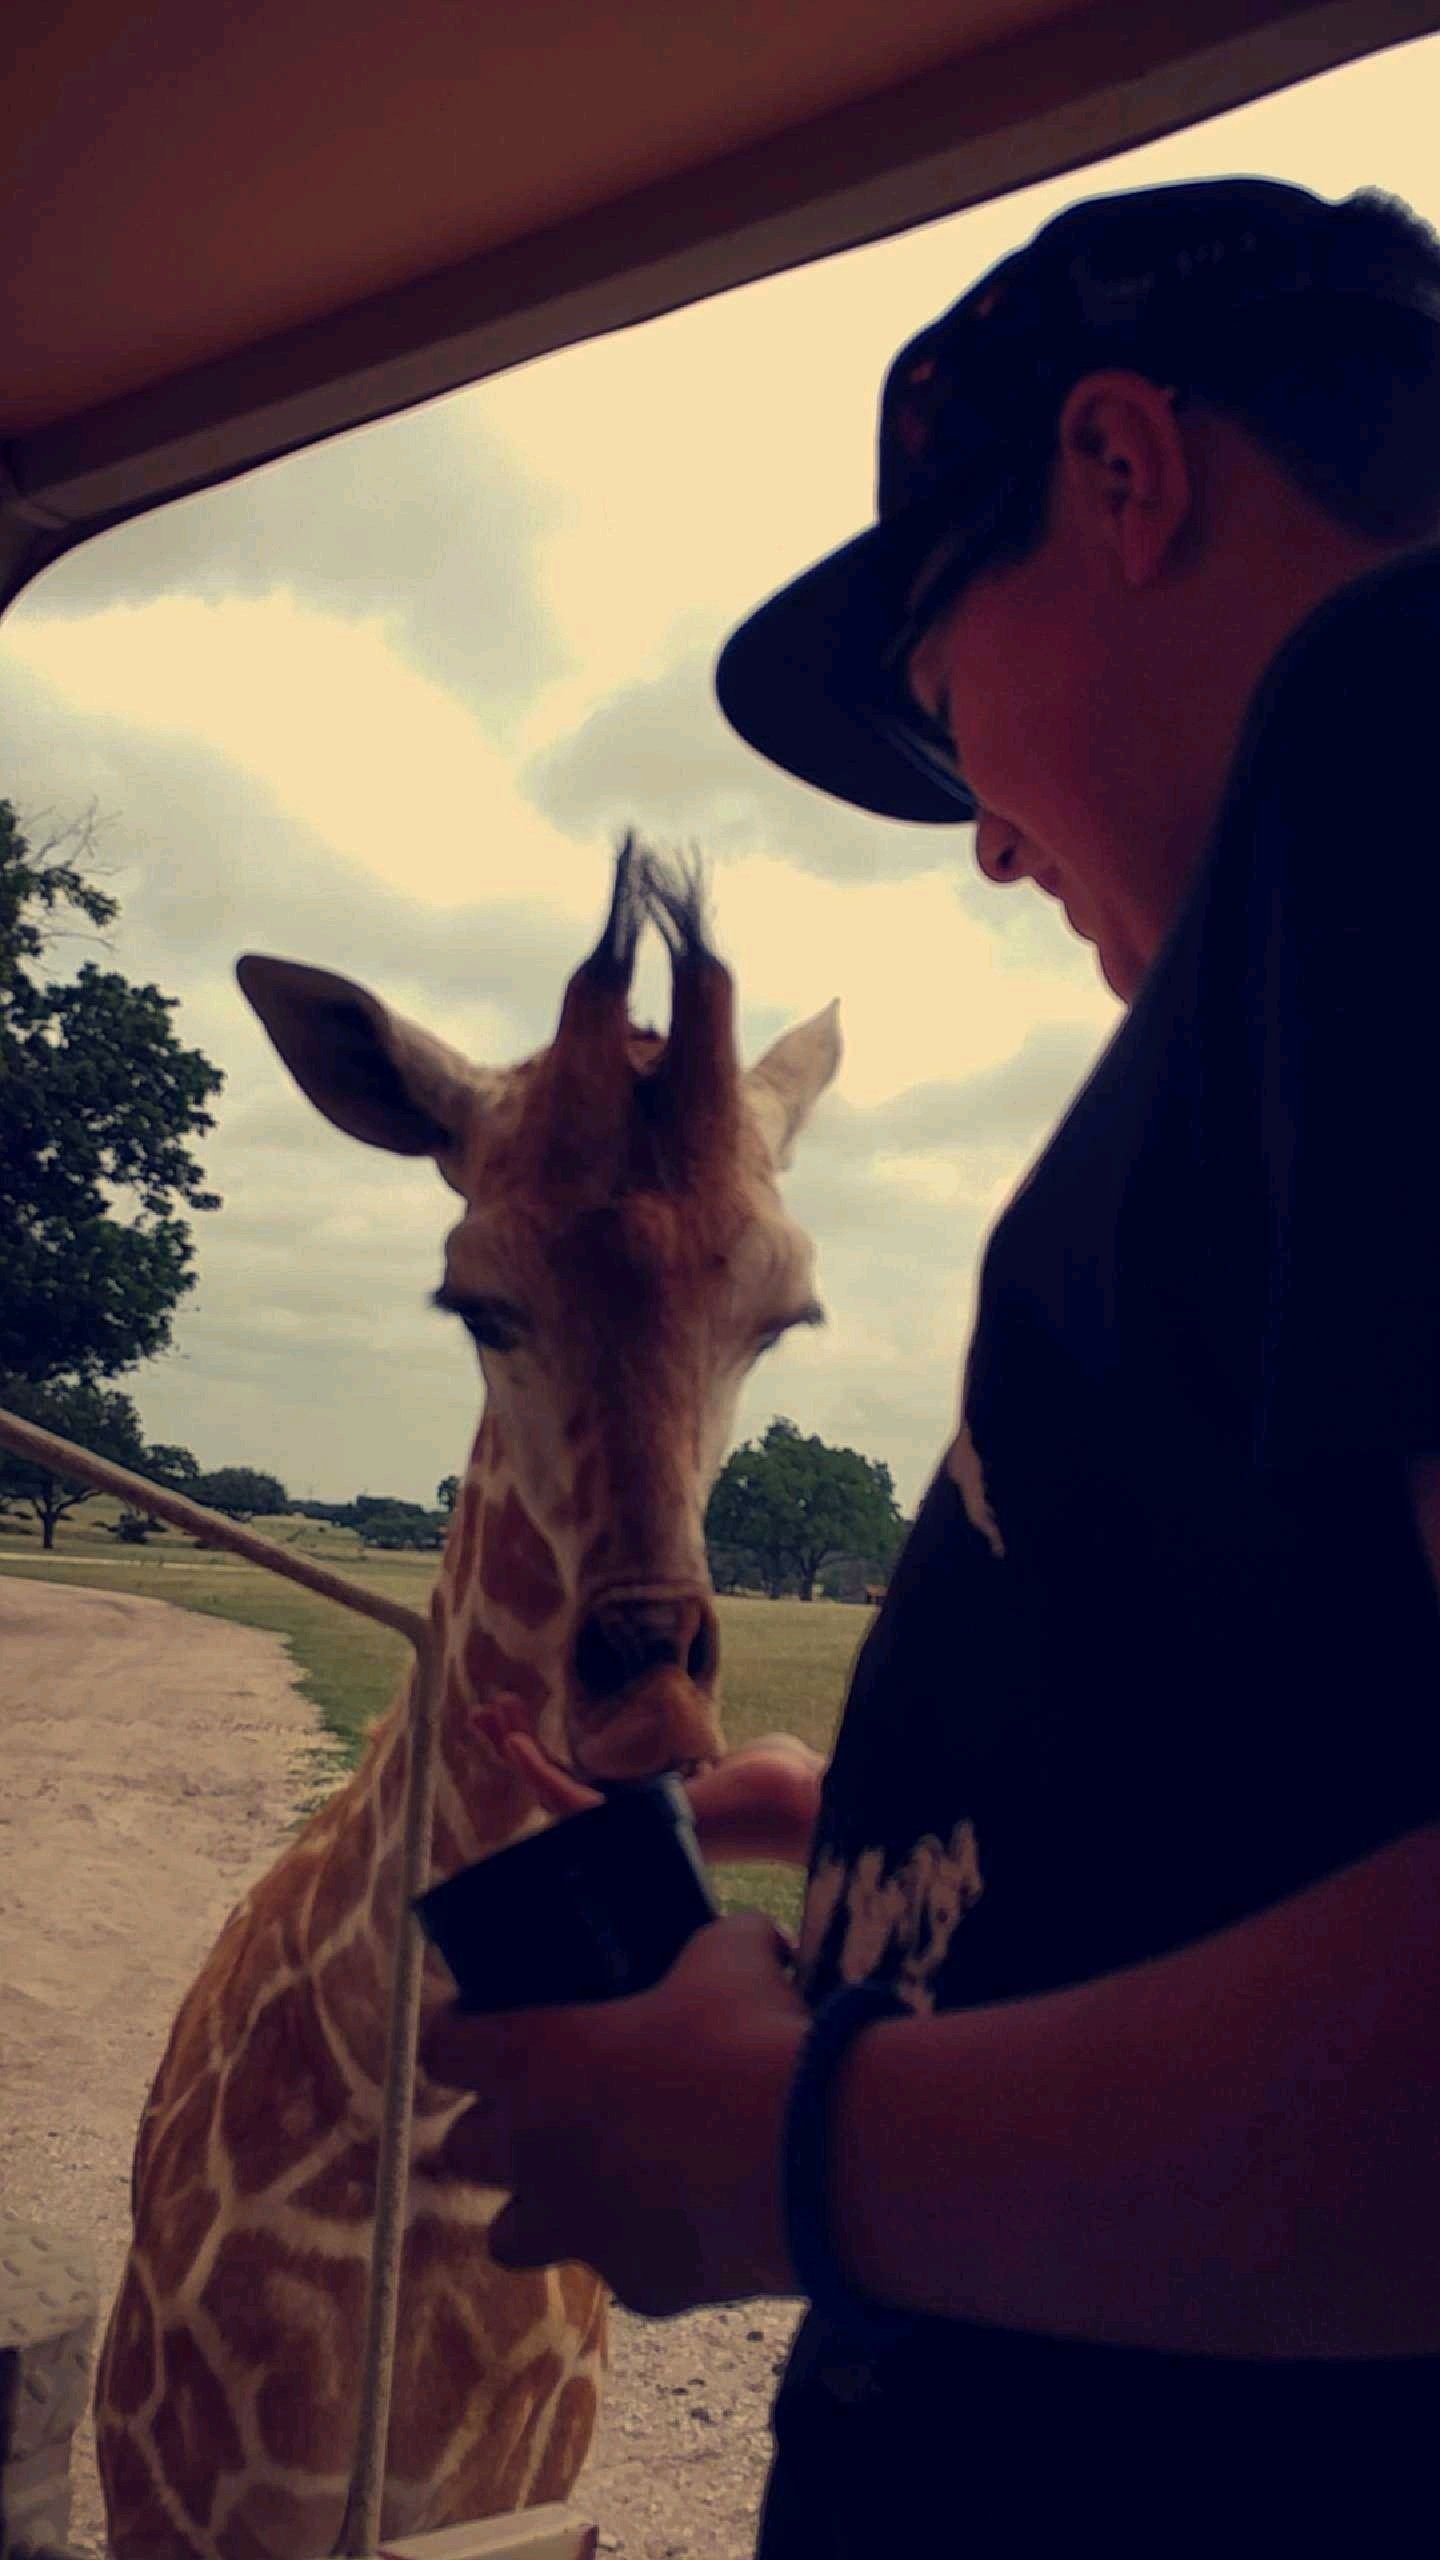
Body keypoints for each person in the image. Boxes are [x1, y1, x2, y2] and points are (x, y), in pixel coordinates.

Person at [424, 176, 1440, 2550]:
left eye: (939, 688)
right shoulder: (1311, 939)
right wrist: (879, 1827)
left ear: (1124, 473)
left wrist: (792, 2151)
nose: (982, 834)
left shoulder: (1388, 741)